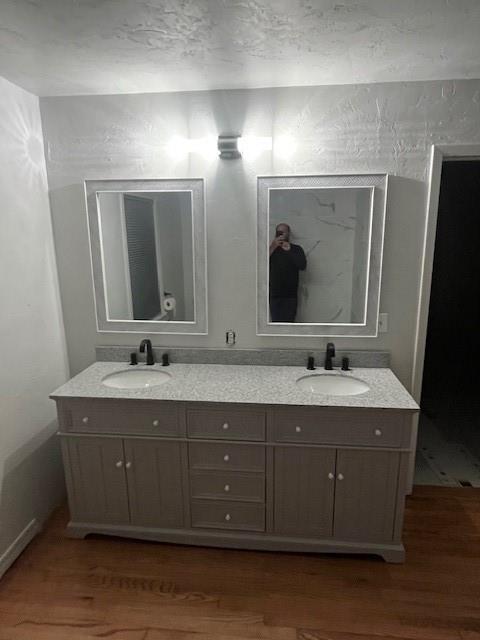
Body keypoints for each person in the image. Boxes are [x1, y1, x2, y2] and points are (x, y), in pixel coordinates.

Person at [269, 222, 307, 322]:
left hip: (291, 296)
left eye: (283, 232)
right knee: (275, 326)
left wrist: (290, 250)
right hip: (274, 294)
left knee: (289, 325)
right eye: (279, 232)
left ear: (288, 234)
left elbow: (302, 266)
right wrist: (272, 247)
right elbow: (260, 265)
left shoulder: (296, 249)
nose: (281, 234)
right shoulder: (270, 249)